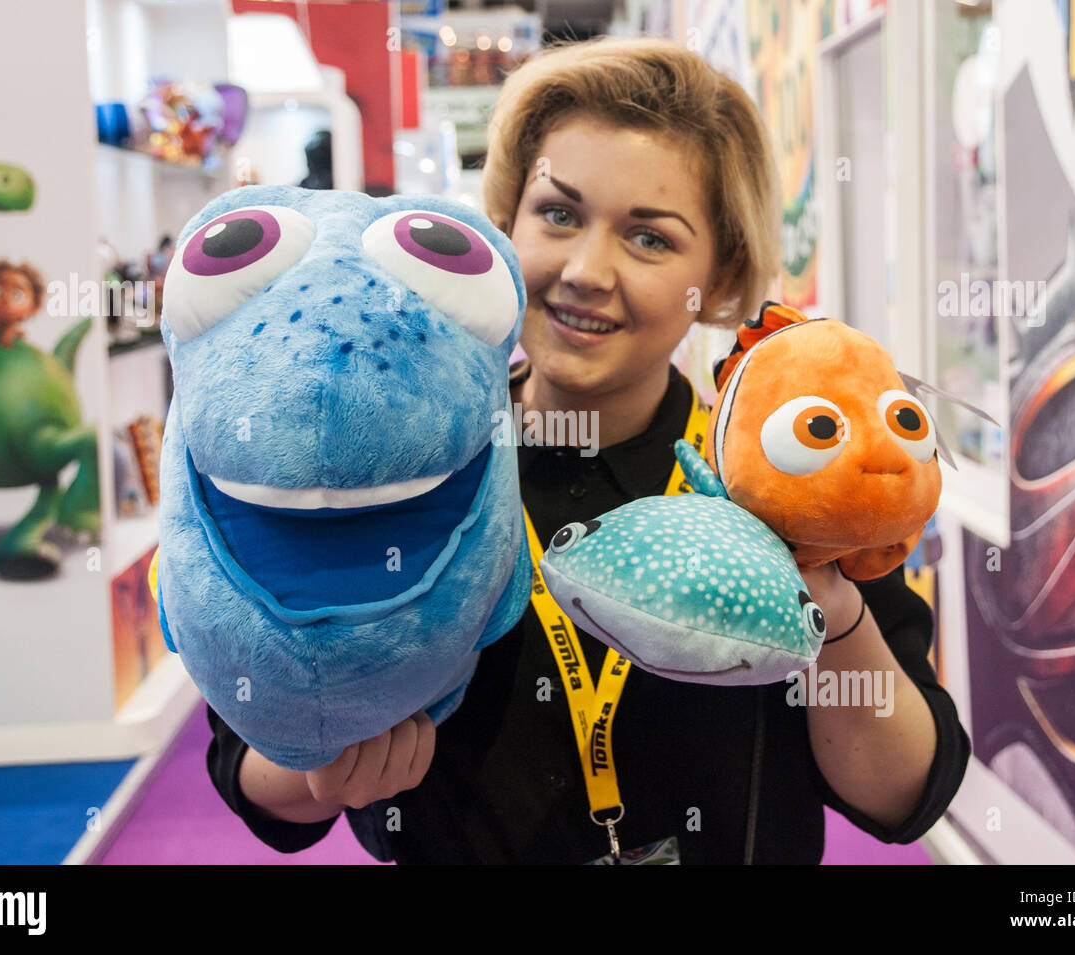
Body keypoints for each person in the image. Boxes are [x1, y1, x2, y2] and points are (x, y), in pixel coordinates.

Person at [205, 36, 970, 864]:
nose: (585, 271)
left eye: (650, 238)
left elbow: (904, 793)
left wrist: (823, 594)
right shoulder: (404, 466)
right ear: (505, 223)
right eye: (559, 214)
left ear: (719, 277)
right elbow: (249, 765)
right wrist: (322, 764)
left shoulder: (785, 471)